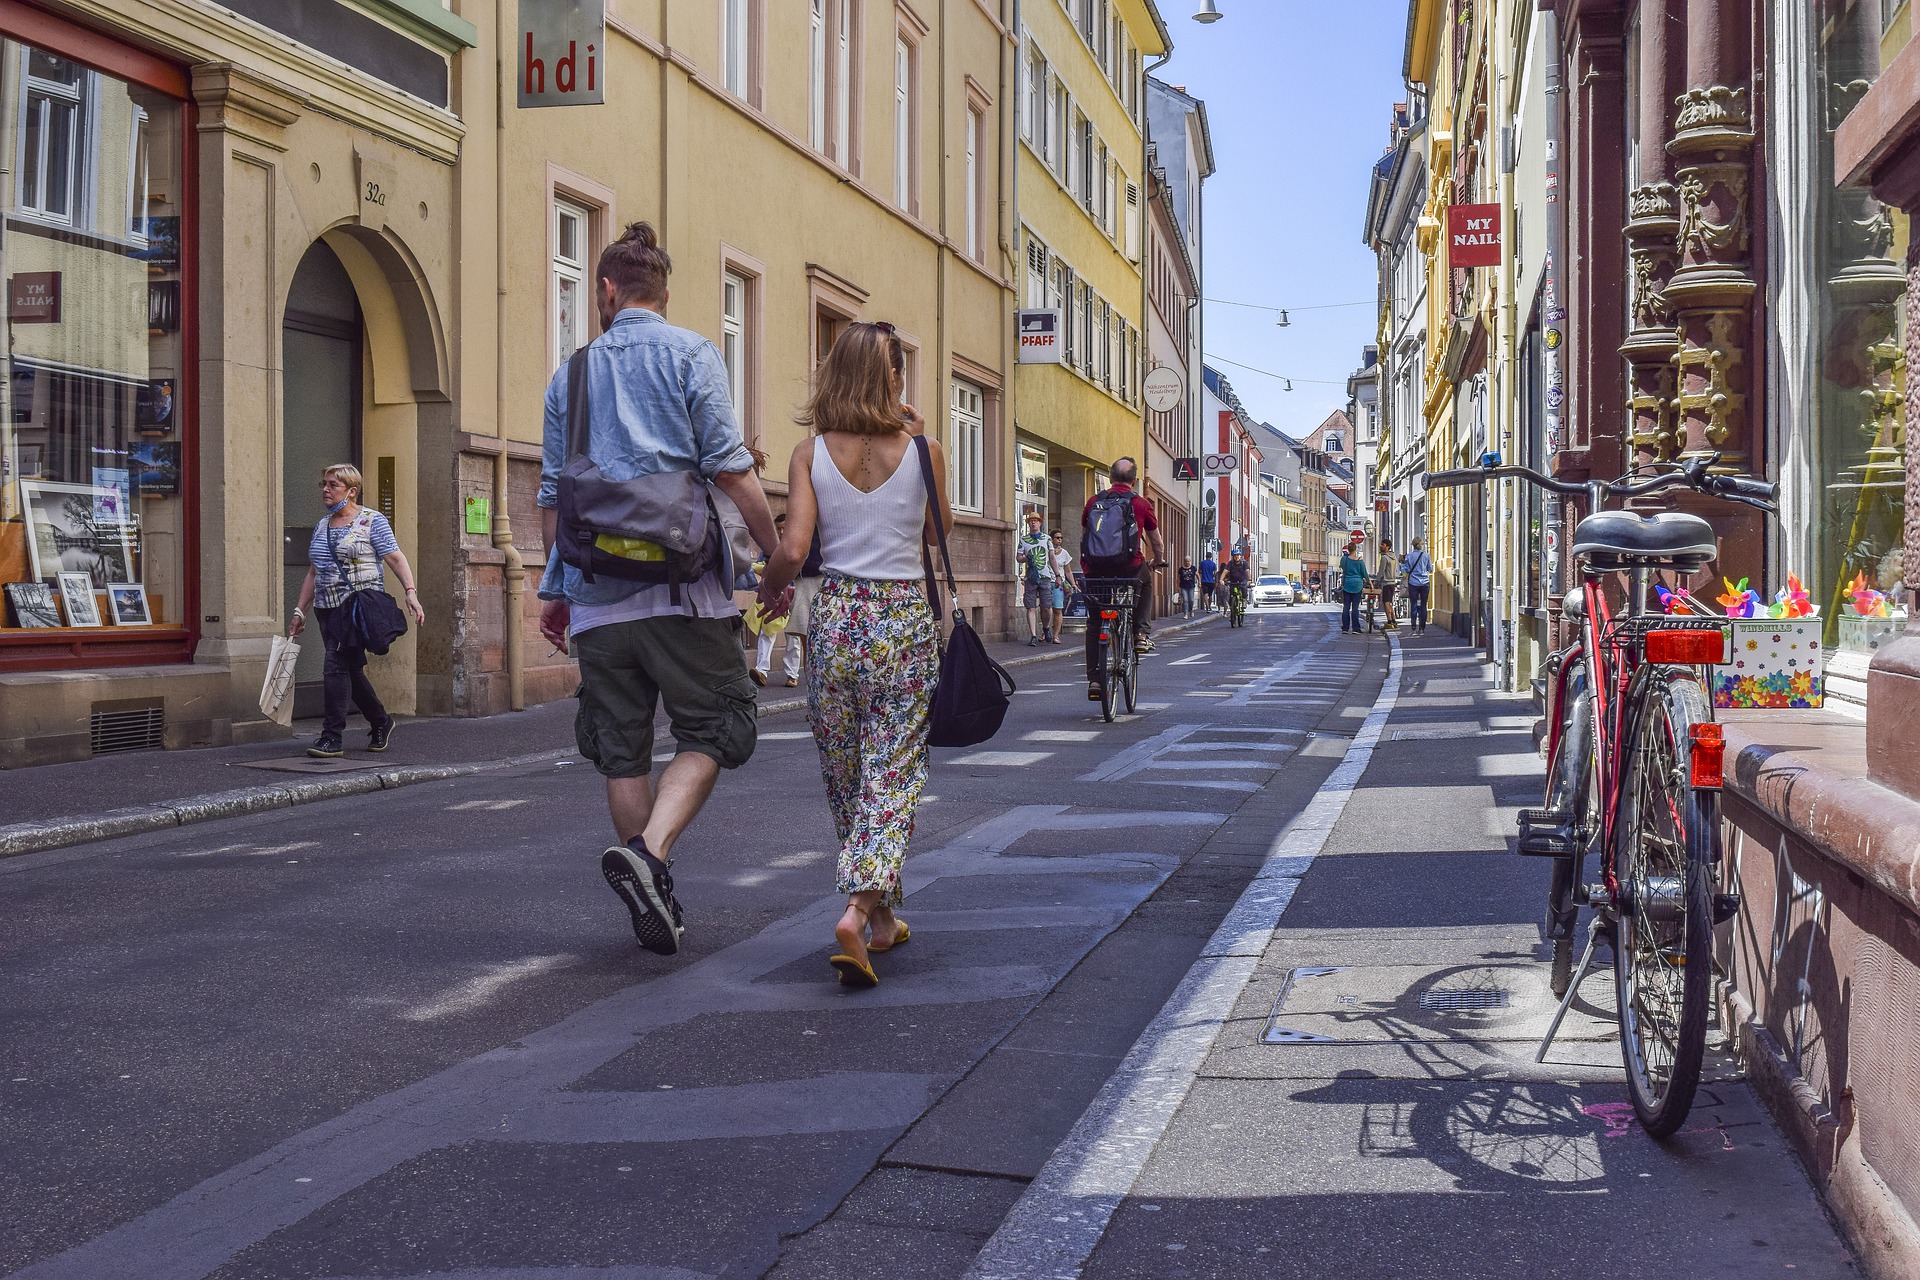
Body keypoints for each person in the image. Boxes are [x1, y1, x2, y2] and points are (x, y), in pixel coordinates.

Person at [536, 221, 781, 958]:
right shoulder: (692, 354)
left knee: (622, 749)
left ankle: (652, 882)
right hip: (686, 594)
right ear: (663, 294)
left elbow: (552, 495)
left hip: (598, 599)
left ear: (605, 291)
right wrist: (775, 557)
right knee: (718, 725)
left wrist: (559, 590)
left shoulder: (570, 375)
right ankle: (650, 857)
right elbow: (733, 471)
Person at [755, 321, 952, 989]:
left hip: (835, 622)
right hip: (901, 622)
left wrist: (768, 591)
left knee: (846, 778)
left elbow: (792, 548)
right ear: (892, 379)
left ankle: (883, 921)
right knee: (890, 781)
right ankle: (858, 908)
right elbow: (937, 532)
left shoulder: (808, 453)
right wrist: (920, 448)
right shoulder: (926, 448)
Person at [290, 464, 426, 758]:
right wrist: (300, 611)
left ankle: (332, 737)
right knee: (350, 669)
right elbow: (314, 572)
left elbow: (394, 558)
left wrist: (411, 593)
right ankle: (381, 720)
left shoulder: (371, 521)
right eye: (323, 484)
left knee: (334, 666)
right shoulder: (322, 525)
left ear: (352, 491)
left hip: (354, 608)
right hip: (326, 609)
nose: (325, 489)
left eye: (332, 485)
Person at [1081, 456, 1164, 699]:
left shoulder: (1094, 501)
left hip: (1097, 571)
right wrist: (1157, 559)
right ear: (1134, 480)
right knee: (1145, 580)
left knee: (1095, 623)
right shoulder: (1140, 503)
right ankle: (1140, 633)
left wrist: (1087, 566)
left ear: (1110, 477)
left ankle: (1095, 681)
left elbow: (1085, 537)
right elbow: (1156, 541)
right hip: (1129, 568)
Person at [752, 514, 803, 687]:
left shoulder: (799, 544)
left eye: (784, 528)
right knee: (767, 632)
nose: (781, 532)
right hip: (775, 593)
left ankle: (792, 674)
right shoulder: (769, 547)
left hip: (795, 594)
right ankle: (761, 671)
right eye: (778, 529)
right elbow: (762, 566)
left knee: (793, 636)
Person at [1016, 511, 1054, 645]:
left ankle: (1046, 627)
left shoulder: (1047, 539)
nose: (1033, 522)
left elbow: (1052, 557)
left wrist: (1058, 575)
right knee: (1030, 607)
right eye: (1031, 521)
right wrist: (1026, 558)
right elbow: (1018, 557)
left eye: (1035, 520)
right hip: (1031, 577)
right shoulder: (1023, 540)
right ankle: (1033, 635)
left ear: (1040, 523)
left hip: (1045, 576)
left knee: (1046, 607)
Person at [1339, 539, 1372, 633]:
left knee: (1346, 607)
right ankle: (1356, 628)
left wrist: (1345, 556)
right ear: (1356, 549)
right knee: (1355, 607)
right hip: (1357, 585)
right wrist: (1371, 584)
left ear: (1348, 550)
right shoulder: (1360, 561)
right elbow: (1365, 574)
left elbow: (1342, 567)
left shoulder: (1344, 559)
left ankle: (1345, 628)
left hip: (1347, 584)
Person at [1047, 531, 1074, 644]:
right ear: (1052, 539)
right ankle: (1045, 631)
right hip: (1047, 582)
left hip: (1059, 583)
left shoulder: (1064, 553)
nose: (1059, 540)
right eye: (1057, 537)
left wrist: (1073, 583)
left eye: (1061, 538)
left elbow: (1068, 571)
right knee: (1046, 609)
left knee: (1057, 609)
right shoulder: (1047, 551)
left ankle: (1055, 635)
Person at [1403, 536, 1434, 635]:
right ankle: (1422, 629)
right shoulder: (1426, 555)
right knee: (1423, 605)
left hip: (1413, 582)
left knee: (1414, 605)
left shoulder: (1409, 556)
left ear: (1413, 545)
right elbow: (1430, 569)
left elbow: (1406, 569)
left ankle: (1413, 628)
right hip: (1425, 582)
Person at [1377, 538, 1400, 630]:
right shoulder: (1394, 557)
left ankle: (1389, 621)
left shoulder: (1384, 557)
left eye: (1383, 545)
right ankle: (1393, 621)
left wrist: (1377, 581)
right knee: (1389, 602)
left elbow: (1381, 571)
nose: (1380, 546)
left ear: (1387, 547)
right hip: (1392, 582)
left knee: (1386, 602)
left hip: (1386, 583)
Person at [1223, 549, 1251, 617]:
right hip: (1233, 581)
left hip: (1242, 580)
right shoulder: (1231, 563)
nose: (1236, 557)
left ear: (1240, 556)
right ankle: (1232, 607)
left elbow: (1247, 571)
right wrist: (1221, 579)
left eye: (1238, 555)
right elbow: (1225, 571)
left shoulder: (1244, 563)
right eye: (1235, 556)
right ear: (1233, 556)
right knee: (1231, 595)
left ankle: (1244, 600)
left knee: (1243, 589)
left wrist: (1249, 580)